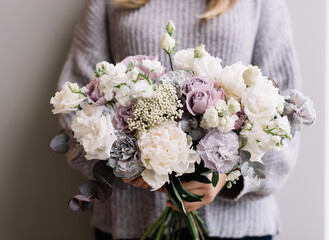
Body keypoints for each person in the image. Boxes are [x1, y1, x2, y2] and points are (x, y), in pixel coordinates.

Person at [57, 0, 301, 239]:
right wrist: (127, 163)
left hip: (239, 226)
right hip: (130, 220)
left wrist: (227, 178)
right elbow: (77, 102)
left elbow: (285, 108)